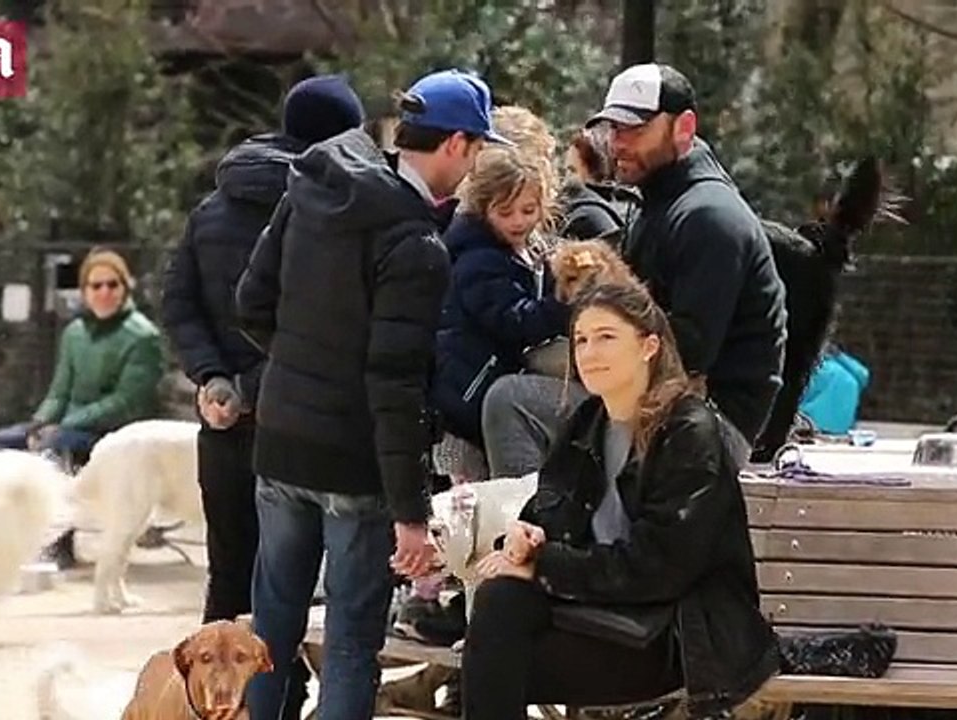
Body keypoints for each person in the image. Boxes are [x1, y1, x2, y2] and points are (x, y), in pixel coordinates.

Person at [235, 68, 508, 720]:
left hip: (278, 442)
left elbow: (251, 304)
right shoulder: (415, 244)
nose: (472, 171)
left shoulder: (311, 186)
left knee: (269, 631)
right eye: (477, 152)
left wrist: (308, 372)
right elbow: (396, 384)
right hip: (354, 463)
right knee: (353, 644)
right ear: (456, 145)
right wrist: (412, 514)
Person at [461, 280, 779, 719]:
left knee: (492, 664)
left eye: (606, 338)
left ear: (649, 346)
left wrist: (543, 561)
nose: (589, 353)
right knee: (500, 608)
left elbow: (659, 567)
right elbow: (548, 513)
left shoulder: (690, 433)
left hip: (677, 636)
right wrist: (522, 537)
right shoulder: (586, 421)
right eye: (581, 340)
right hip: (603, 615)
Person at [162, 74, 365, 717]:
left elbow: (179, 301)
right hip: (296, 425)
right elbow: (311, 320)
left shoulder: (211, 207)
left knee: (228, 578)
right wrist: (251, 386)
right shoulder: (324, 210)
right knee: (294, 589)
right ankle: (280, 701)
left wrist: (212, 380)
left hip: (219, 426)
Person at [482, 63, 787, 476]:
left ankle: (530, 532)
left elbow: (689, 352)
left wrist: (580, 354)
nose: (619, 143)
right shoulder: (662, 202)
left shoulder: (708, 217)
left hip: (707, 425)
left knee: (510, 400)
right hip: (667, 406)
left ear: (683, 127)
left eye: (636, 129)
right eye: (613, 129)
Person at [0, 248, 165, 569]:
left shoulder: (143, 337)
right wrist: (39, 422)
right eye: (95, 286)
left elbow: (125, 401)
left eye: (113, 284)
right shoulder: (75, 332)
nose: (104, 292)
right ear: (84, 291)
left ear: (125, 288)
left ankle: (58, 543)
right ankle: (2, 538)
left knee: (56, 447)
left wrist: (66, 425)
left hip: (115, 430)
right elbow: (60, 389)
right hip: (70, 423)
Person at [429, 144, 578, 480]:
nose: (518, 221)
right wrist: (562, 306)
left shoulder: (521, 249)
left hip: (481, 387)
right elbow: (514, 320)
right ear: (483, 209)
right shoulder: (478, 260)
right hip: (467, 397)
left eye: (528, 210)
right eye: (505, 212)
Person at [559, 127, 639, 243]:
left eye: (573, 171)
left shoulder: (587, 216)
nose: (566, 180)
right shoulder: (632, 208)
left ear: (594, 171)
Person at [798, 345, 870, 435]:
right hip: (842, 428)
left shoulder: (818, 370)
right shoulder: (851, 374)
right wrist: (839, 356)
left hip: (813, 425)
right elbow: (864, 375)